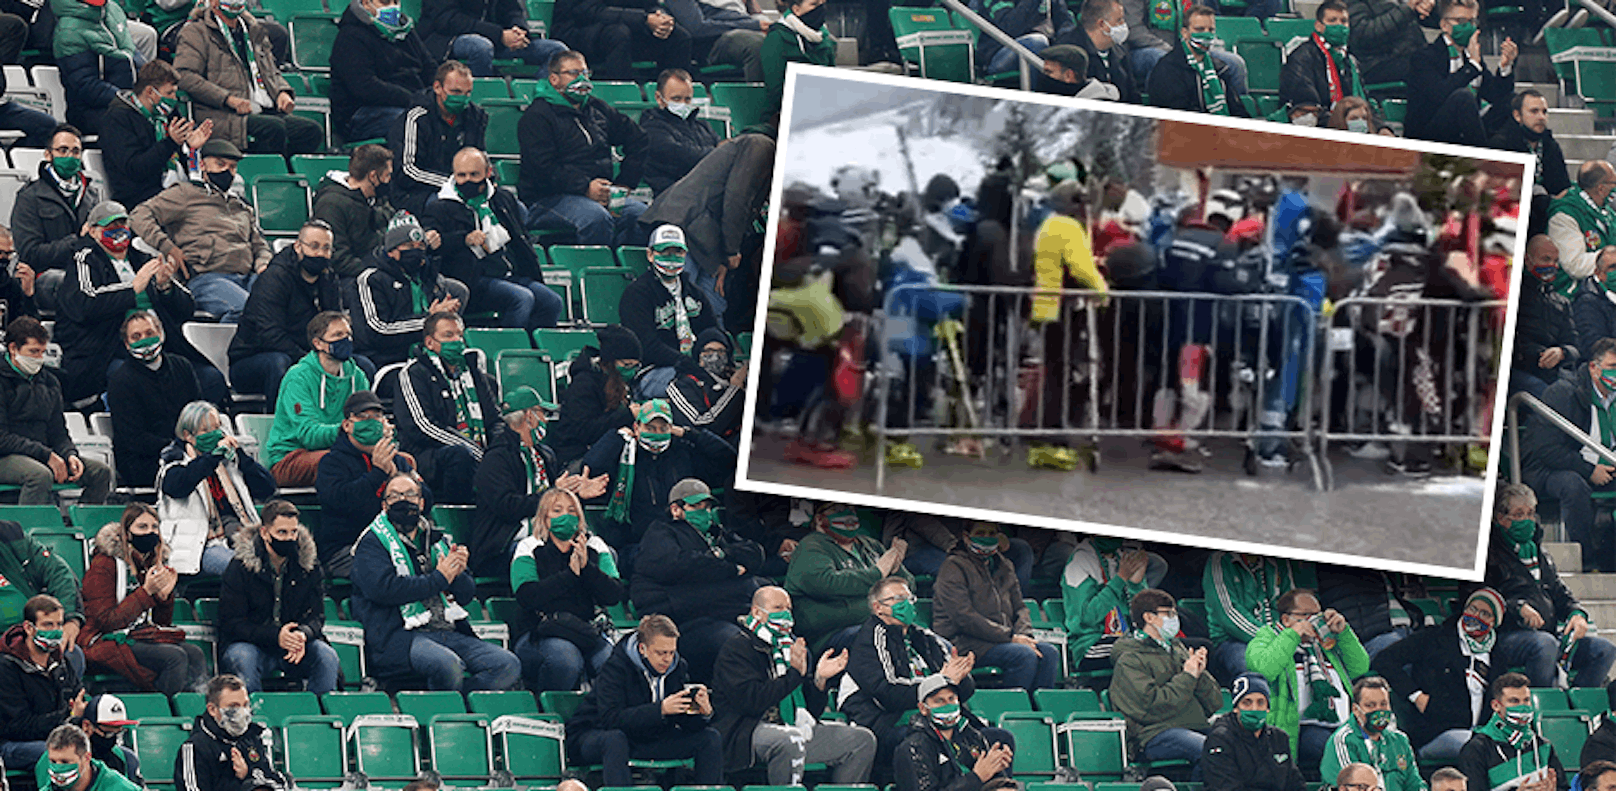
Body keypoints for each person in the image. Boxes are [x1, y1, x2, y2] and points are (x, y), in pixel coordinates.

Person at [350, 473, 522, 690]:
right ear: (384, 506)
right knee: (447, 665)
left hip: (448, 631)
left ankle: (462, 702)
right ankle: (448, 707)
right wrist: (440, 578)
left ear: (421, 503)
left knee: (507, 664)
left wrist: (457, 573)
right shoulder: (372, 543)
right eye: (395, 496)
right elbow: (383, 590)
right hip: (400, 635)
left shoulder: (439, 539)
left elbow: (466, 595)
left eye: (410, 495)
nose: (403, 500)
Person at [712, 585, 875, 785]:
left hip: (793, 727)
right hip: (746, 731)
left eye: (788, 608)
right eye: (778, 607)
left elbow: (810, 714)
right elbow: (751, 702)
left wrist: (819, 681)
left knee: (861, 740)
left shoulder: (795, 648)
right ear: (756, 612)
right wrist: (794, 675)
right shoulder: (738, 647)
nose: (786, 614)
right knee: (790, 741)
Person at [56, 201, 213, 407]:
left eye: (123, 224)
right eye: (110, 227)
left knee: (210, 378)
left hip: (160, 345)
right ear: (93, 232)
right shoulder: (84, 259)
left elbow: (187, 309)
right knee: (134, 378)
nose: (118, 231)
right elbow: (85, 303)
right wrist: (133, 289)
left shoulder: (143, 259)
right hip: (108, 350)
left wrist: (166, 287)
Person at [1484, 483, 1616, 688]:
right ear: (1501, 518)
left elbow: (1560, 593)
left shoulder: (1540, 553)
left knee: (1604, 649)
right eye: (1519, 515)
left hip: (1548, 634)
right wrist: (1517, 607)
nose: (1527, 521)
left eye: (1530, 514)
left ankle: (1575, 706)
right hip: (1505, 636)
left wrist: (1577, 614)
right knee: (1545, 645)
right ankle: (1542, 706)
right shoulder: (1489, 554)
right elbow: (1479, 597)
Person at [631, 478, 763, 682]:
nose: (704, 512)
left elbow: (755, 554)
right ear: (676, 509)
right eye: (695, 506)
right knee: (732, 641)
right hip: (685, 625)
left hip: (722, 613)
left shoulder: (717, 534)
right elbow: (681, 566)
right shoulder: (661, 532)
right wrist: (730, 568)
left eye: (707, 507)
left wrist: (718, 554)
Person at [566, 614, 723, 785]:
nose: (668, 659)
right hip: (594, 734)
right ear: (643, 649)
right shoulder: (615, 668)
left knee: (710, 738)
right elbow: (610, 719)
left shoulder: (677, 667)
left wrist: (702, 713)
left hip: (646, 737)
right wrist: (660, 709)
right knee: (615, 740)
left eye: (672, 652)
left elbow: (681, 722)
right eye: (661, 653)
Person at [635, 129, 774, 321]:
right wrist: (731, 251)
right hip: (686, 223)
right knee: (675, 306)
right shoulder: (761, 146)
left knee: (712, 308)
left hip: (708, 237)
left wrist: (725, 254)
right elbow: (737, 200)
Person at [128, 139, 272, 323]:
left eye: (233, 167)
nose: (227, 172)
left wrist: (263, 264)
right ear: (203, 165)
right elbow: (138, 215)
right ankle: (233, 351)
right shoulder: (186, 194)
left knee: (289, 306)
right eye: (220, 164)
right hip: (208, 279)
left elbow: (259, 244)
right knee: (247, 310)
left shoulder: (241, 205)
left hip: (248, 277)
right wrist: (168, 247)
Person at [471, 386, 607, 578]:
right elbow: (507, 507)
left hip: (549, 537)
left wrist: (576, 496)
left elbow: (555, 499)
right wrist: (551, 495)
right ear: (528, 416)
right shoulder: (496, 459)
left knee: (601, 554)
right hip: (503, 546)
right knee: (550, 558)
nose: (545, 420)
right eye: (542, 413)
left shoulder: (544, 455)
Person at [518, 50, 650, 245]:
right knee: (595, 217)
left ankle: (624, 268)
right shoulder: (537, 117)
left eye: (585, 73)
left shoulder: (597, 109)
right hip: (547, 198)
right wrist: (585, 187)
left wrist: (625, 183)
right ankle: (597, 270)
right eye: (573, 73)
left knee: (642, 216)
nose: (582, 79)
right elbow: (543, 168)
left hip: (600, 194)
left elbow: (638, 138)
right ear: (554, 79)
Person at [423, 147, 562, 332]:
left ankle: (536, 351)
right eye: (461, 175)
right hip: (473, 280)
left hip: (509, 273)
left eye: (474, 174)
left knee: (552, 301)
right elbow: (435, 247)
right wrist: (463, 239)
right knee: (521, 298)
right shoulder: (439, 207)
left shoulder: (502, 200)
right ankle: (513, 349)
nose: (467, 181)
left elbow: (521, 238)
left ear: (488, 172)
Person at [230, 221, 370, 400]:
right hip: (254, 358)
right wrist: (311, 361)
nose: (320, 253)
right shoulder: (274, 279)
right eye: (314, 246)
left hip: (311, 354)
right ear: (298, 246)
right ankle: (282, 424)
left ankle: (349, 423)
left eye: (326, 248)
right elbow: (269, 334)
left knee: (362, 365)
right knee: (280, 364)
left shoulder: (328, 278)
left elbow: (335, 322)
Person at [842, 576, 978, 759]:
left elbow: (963, 691)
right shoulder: (870, 639)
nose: (906, 604)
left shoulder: (925, 638)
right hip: (887, 723)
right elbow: (887, 695)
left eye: (909, 599)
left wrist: (962, 674)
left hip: (936, 718)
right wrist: (942, 681)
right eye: (898, 599)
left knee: (996, 738)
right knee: (928, 740)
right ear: (878, 608)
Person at [578, 399, 737, 552]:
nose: (657, 434)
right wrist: (615, 437)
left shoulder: (682, 452)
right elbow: (591, 467)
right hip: (638, 544)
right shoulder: (624, 456)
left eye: (663, 428)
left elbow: (729, 458)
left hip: (684, 539)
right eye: (650, 428)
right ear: (637, 427)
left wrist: (690, 434)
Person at [79, 503, 206, 695]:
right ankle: (166, 714)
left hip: (139, 636)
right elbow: (105, 621)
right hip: (104, 640)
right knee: (174, 657)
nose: (150, 532)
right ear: (127, 534)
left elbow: (160, 624)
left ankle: (192, 711)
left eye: (154, 527)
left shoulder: (145, 563)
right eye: (142, 527)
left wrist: (164, 597)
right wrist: (146, 592)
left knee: (195, 654)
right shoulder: (103, 566)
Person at [1371, 588, 1506, 765]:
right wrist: (1416, 696)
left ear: (1494, 621)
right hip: (1435, 732)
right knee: (1477, 747)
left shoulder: (1497, 656)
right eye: (1472, 609)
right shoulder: (1434, 638)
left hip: (1480, 732)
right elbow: (1384, 660)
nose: (1476, 616)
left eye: (1485, 613)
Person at [218, 500, 339, 695]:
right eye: (282, 532)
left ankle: (322, 718)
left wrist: (302, 634)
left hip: (295, 646)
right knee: (242, 656)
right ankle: (253, 718)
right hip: (251, 645)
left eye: (294, 532)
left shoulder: (308, 565)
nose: (290, 538)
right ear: (265, 533)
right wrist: (276, 636)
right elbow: (231, 623)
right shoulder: (240, 567)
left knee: (326, 656)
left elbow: (317, 616)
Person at [1027, 181, 1108, 471]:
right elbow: (1080, 267)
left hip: (1046, 304)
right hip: (1064, 305)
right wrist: (1102, 290)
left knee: (1053, 369)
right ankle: (1054, 433)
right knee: (1061, 372)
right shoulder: (1068, 228)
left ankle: (1044, 428)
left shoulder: (1049, 224)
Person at [510, 487, 624, 692]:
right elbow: (527, 596)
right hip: (540, 632)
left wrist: (586, 568)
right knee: (566, 659)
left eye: (572, 511)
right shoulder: (529, 547)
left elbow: (614, 594)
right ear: (544, 518)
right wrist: (570, 575)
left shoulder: (595, 546)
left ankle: (599, 717)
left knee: (612, 662)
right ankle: (553, 712)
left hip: (585, 630)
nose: (566, 516)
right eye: (557, 511)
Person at [174, 0, 322, 156]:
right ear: (213, 2)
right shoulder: (196, 32)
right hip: (222, 113)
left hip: (263, 110)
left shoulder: (254, 30)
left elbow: (271, 71)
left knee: (310, 131)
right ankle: (262, 172)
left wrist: (281, 92)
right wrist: (228, 99)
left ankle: (286, 173)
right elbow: (184, 75)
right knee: (273, 128)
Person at [1245, 588, 1372, 768]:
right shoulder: (1267, 637)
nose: (1314, 621)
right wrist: (1293, 635)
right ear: (1286, 619)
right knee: (1341, 752)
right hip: (1300, 727)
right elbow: (1263, 669)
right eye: (1306, 615)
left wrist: (1343, 632)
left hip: (1343, 725)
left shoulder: (1327, 642)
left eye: (1318, 615)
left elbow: (1360, 667)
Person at [1520, 338, 1616, 570]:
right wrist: (1589, 470)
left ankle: (1609, 561)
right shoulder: (1563, 393)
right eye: (1613, 367)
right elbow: (1546, 449)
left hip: (1604, 466)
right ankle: (1586, 563)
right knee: (1574, 486)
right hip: (1548, 468)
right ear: (1594, 367)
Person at [1109, 588, 1223, 779]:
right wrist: (1188, 676)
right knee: (1210, 751)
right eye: (1168, 614)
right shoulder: (1130, 659)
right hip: (1154, 734)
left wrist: (1199, 673)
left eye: (1174, 613)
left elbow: (1214, 703)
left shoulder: (1178, 649)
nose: (1174, 618)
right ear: (1149, 617)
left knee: (1240, 746)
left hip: (1193, 725)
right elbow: (1152, 706)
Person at [315, 391, 430, 576]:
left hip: (398, 543)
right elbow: (341, 502)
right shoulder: (332, 462)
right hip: (347, 548)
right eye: (363, 417)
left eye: (376, 416)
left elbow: (426, 500)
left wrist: (396, 475)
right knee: (394, 570)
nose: (371, 421)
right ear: (347, 425)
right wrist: (378, 474)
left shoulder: (397, 461)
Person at [933, 522, 1059, 691]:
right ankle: (1017, 710)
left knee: (1049, 653)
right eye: (981, 532)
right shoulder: (953, 567)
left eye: (992, 533)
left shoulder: (1005, 565)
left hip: (1002, 641)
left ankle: (1039, 712)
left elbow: (1020, 607)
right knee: (1024, 655)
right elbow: (964, 617)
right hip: (966, 642)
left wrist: (1022, 634)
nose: (987, 537)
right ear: (966, 536)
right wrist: (1011, 637)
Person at [0, 317, 112, 505]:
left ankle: (87, 530)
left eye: (42, 352)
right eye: (33, 352)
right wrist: (46, 455)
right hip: (6, 456)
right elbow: (2, 438)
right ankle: (26, 532)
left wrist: (70, 454)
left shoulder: (50, 381)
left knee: (100, 472)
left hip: (41, 454)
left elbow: (58, 432)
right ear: (13, 348)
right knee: (38, 475)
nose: (39, 359)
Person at [157, 401, 277, 576]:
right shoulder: (174, 464)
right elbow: (180, 485)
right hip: (201, 545)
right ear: (187, 435)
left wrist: (241, 457)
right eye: (206, 430)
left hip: (238, 534)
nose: (215, 434)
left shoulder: (228, 462)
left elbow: (268, 487)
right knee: (244, 569)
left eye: (217, 428)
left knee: (284, 561)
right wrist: (213, 457)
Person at [394, 311, 500, 503]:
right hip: (429, 453)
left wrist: (500, 449)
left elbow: (494, 419)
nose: (457, 340)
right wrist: (474, 450)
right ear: (429, 343)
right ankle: (459, 514)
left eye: (459, 334)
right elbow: (423, 427)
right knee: (460, 456)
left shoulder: (474, 373)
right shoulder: (414, 373)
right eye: (448, 335)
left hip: (475, 450)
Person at [263, 311, 374, 488]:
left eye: (348, 334)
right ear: (318, 343)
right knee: (337, 462)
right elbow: (308, 435)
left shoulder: (358, 376)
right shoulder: (298, 378)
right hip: (291, 457)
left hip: (341, 452)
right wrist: (350, 430)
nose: (346, 340)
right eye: (338, 335)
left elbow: (369, 418)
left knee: (400, 460)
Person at [783, 502, 911, 652]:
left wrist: (896, 566)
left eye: (850, 509)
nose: (847, 514)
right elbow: (827, 583)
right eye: (837, 509)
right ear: (819, 519)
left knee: (922, 637)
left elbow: (909, 584)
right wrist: (878, 574)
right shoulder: (811, 547)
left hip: (878, 624)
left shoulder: (870, 545)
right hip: (830, 636)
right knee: (880, 636)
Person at [349, 217, 466, 367]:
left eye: (421, 246)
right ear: (391, 251)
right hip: (386, 358)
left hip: (426, 355)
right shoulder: (371, 279)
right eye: (409, 246)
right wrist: (429, 320)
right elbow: (377, 331)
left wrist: (444, 316)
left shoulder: (432, 278)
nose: (416, 251)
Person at [621, 225, 720, 398]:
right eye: (665, 252)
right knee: (693, 387)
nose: (672, 258)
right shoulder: (636, 294)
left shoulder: (694, 293)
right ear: (650, 255)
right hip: (652, 371)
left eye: (678, 252)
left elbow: (711, 330)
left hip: (694, 366)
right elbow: (647, 346)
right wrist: (687, 364)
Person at [105, 312, 199, 488]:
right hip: (143, 460)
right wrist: (177, 446)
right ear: (127, 344)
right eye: (136, 336)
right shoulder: (121, 381)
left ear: (161, 334)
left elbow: (196, 412)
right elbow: (132, 438)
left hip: (187, 450)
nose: (144, 340)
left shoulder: (182, 366)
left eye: (149, 333)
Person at [102, 60, 213, 208]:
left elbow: (184, 161)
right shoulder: (117, 118)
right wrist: (170, 143)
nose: (174, 98)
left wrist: (192, 148)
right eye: (169, 93)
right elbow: (134, 169)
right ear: (149, 92)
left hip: (176, 191)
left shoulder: (168, 113)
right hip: (140, 199)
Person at [1404, 0, 1514, 146]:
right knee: (1463, 97)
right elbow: (1440, 95)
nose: (1468, 27)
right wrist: (1472, 66)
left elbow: (1496, 95)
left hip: (1467, 132)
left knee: (1514, 103)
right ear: (1444, 25)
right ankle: (1483, 160)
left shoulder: (1471, 57)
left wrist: (1505, 67)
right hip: (1430, 133)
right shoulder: (1424, 57)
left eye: (1472, 21)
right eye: (1461, 21)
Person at [328, 0, 438, 142]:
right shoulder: (350, 36)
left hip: (410, 104)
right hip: (363, 113)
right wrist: (413, 99)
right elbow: (365, 86)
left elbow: (429, 67)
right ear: (366, 3)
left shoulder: (406, 31)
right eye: (385, 2)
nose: (392, 7)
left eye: (395, 2)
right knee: (414, 124)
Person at [388, 61, 487, 218]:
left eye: (467, 93)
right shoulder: (416, 117)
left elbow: (480, 158)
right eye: (455, 92)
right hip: (418, 195)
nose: (462, 98)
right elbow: (407, 170)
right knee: (457, 212)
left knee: (512, 207)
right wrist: (452, 184)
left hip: (465, 189)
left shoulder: (475, 116)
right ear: (437, 88)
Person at [1061, 536, 1168, 677]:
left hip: (1125, 636)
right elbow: (1086, 619)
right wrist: (1120, 579)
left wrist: (1135, 585)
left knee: (1176, 648)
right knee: (1145, 651)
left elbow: (1142, 618)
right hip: (1090, 644)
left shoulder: (1121, 559)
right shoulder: (1079, 562)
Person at [0, 595, 85, 769]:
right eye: (48, 625)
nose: (56, 630)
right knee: (58, 758)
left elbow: (79, 698)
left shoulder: (62, 663)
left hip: (59, 739)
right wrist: (67, 717)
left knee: (122, 755)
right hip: (13, 744)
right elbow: (18, 726)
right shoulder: (6, 667)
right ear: (29, 628)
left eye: (59, 624)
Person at [1203, 552, 1316, 683]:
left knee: (1310, 660)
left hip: (1279, 637)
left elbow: (1291, 603)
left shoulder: (1278, 560)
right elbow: (1228, 614)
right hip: (1235, 640)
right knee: (1256, 672)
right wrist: (1274, 638)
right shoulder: (1220, 560)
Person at [12, 125, 105, 276]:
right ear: (48, 155)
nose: (70, 156)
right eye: (63, 150)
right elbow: (30, 253)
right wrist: (78, 240)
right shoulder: (30, 197)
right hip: (49, 274)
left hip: (88, 270)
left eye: (75, 151)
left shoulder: (91, 194)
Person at [894, 675, 1014, 791]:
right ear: (923, 708)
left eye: (951, 699)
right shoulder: (913, 748)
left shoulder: (973, 737)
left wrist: (999, 772)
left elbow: (994, 783)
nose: (947, 705)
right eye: (939, 701)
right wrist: (976, 778)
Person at [174, 674, 291, 791]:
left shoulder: (254, 737)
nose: (242, 712)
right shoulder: (195, 747)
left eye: (245, 705)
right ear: (212, 710)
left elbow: (278, 783)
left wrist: (247, 774)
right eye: (233, 706)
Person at [1456, 672, 1565, 791]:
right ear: (1496, 705)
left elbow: (1564, 787)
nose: (1523, 707)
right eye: (1514, 701)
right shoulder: (1476, 750)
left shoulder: (1543, 746)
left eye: (1526, 700)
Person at [551, 324, 640, 465]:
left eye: (636, 366)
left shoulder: (622, 383)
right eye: (627, 364)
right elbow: (585, 431)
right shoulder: (584, 384)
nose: (631, 371)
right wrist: (626, 416)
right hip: (576, 457)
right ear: (610, 361)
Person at [311, 144, 402, 280]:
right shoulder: (331, 205)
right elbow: (337, 258)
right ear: (373, 176)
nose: (389, 181)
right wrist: (378, 271)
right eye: (387, 175)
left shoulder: (375, 199)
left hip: (380, 266)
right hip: (352, 279)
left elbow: (392, 221)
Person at [1201, 673, 1306, 791]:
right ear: (1236, 707)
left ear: (1268, 708)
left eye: (1260, 702)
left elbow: (1296, 784)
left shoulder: (1278, 738)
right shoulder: (1220, 739)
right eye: (1247, 702)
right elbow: (1227, 787)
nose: (1254, 708)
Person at [1488, 90, 1572, 234]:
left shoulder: (1550, 145)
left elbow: (1562, 186)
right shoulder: (1501, 144)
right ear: (1517, 115)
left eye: (1544, 112)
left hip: (1547, 210)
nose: (1541, 117)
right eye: (1534, 111)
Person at [1317, 677, 1423, 791]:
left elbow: (1415, 784)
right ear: (1356, 709)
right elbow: (1352, 786)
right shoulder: (1344, 740)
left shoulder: (1399, 740)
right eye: (1370, 705)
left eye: (1383, 704)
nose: (1379, 710)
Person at [50, 0, 137, 134]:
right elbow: (85, 85)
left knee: (168, 118)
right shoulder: (68, 30)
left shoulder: (113, 11)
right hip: (88, 111)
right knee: (133, 124)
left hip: (124, 103)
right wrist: (127, 100)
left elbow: (132, 57)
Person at [1146, 6, 1249, 116]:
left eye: (1211, 30)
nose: (1206, 34)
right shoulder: (1167, 69)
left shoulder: (1220, 69)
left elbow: (1236, 109)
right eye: (1199, 29)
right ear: (1185, 33)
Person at [1511, 235, 1580, 398]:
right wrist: (1539, 355)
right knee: (1549, 395)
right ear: (1528, 261)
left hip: (1555, 373)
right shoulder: (1516, 294)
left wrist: (1562, 352)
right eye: (1546, 259)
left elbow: (1575, 345)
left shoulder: (1562, 302)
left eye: (1555, 261)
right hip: (1521, 371)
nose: (1552, 266)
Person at [551, 0, 690, 80]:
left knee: (679, 36)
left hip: (627, 27)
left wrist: (660, 17)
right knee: (618, 34)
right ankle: (621, 98)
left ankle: (673, 97)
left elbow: (651, 4)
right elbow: (590, 12)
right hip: (578, 31)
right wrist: (643, 19)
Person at [1278, 0, 1364, 126]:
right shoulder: (1302, 57)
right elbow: (1307, 106)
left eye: (1344, 21)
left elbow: (1363, 102)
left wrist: (1382, 128)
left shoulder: (1350, 61)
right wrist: (1341, 122)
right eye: (1332, 20)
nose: (1339, 26)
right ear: (1319, 26)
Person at [640, 69, 717, 197]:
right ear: (659, 98)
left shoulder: (702, 126)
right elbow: (686, 157)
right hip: (672, 199)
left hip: (706, 194)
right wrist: (718, 153)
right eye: (676, 99)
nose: (682, 104)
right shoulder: (650, 129)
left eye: (687, 99)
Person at [669, 328, 747, 447]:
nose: (715, 356)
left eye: (721, 351)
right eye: (708, 351)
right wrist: (734, 390)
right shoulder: (682, 385)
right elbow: (701, 426)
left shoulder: (729, 379)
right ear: (698, 355)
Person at [659, 0, 765, 81]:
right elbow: (697, 28)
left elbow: (755, 15)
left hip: (746, 27)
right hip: (713, 41)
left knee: (776, 40)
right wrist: (754, 25)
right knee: (757, 44)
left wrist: (766, 24)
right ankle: (762, 105)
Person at [760, 0, 831, 118]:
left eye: (822, 4)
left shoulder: (825, 40)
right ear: (796, 9)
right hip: (785, 116)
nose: (821, 9)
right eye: (814, 4)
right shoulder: (777, 38)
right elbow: (776, 93)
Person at [1546, 161, 1616, 282]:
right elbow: (1575, 265)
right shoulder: (1564, 216)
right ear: (1601, 188)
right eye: (1614, 183)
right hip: (1574, 291)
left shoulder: (1605, 210)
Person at [1059, 0, 1138, 103]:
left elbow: (1133, 95)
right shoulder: (1067, 54)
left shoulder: (1120, 52)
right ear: (1101, 24)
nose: (1123, 25)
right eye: (1119, 20)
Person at [1345, 0, 1431, 85]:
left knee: (1439, 60)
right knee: (1425, 68)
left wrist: (1429, 6)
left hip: (1409, 54)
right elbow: (1363, 34)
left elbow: (1434, 21)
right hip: (1375, 63)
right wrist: (1406, 10)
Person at [37, 723, 141, 791]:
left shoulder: (118, 787)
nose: (58, 768)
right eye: (53, 761)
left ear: (86, 758)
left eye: (65, 762)